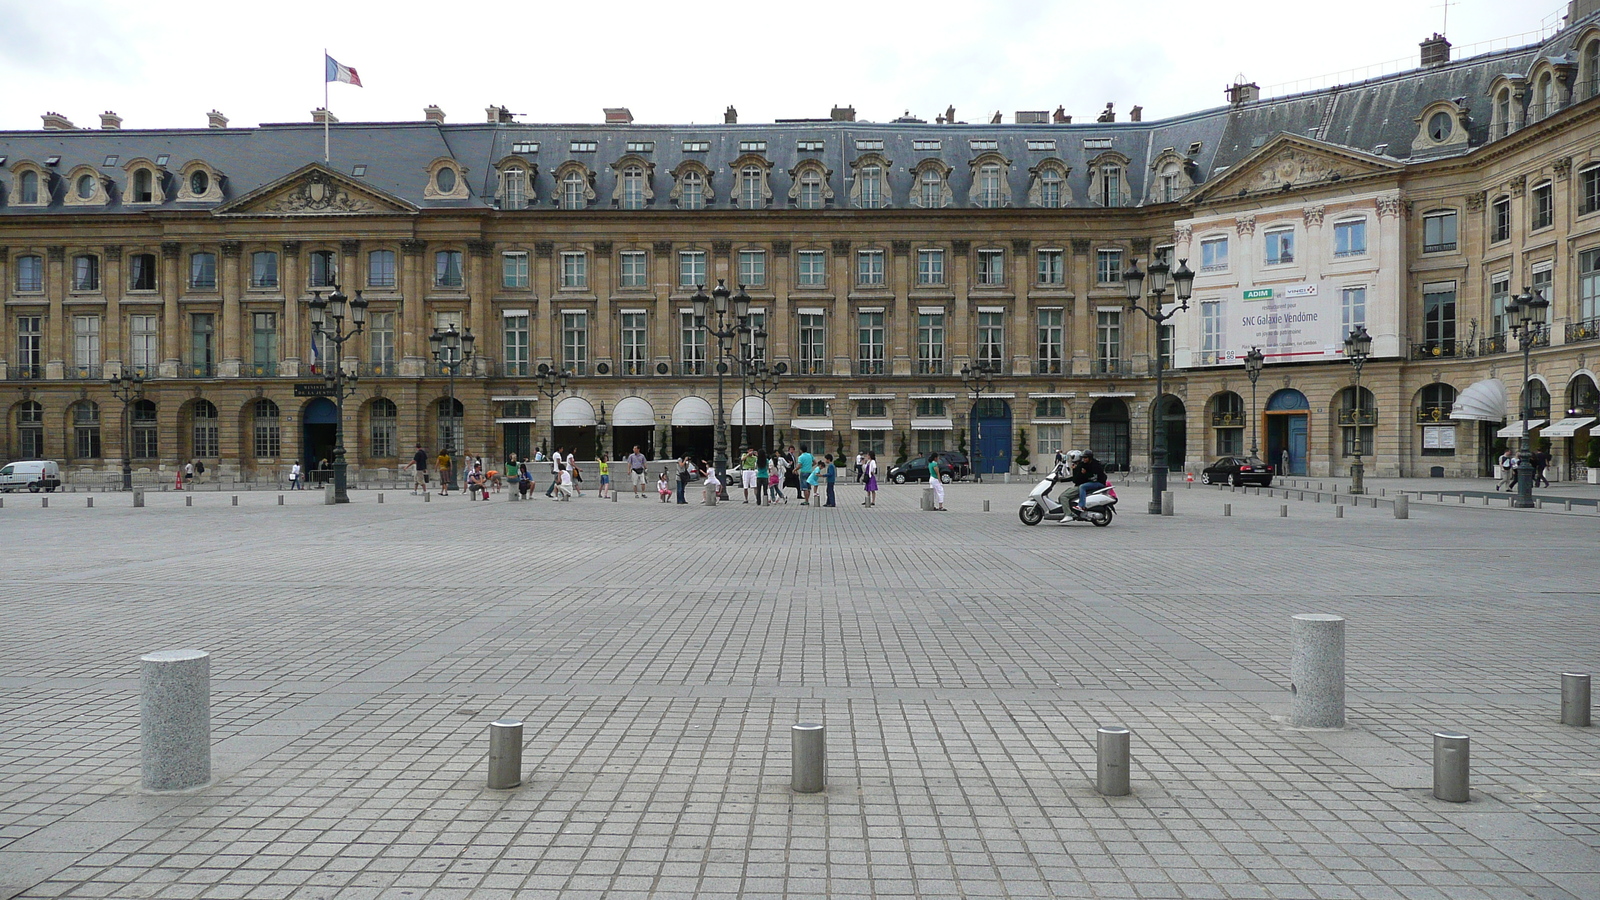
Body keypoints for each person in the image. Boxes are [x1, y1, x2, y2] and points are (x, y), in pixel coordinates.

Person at [1071, 450, 1109, 514]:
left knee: (1082, 487)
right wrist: (1075, 469)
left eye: (1086, 458)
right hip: (1093, 482)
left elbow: (1094, 476)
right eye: (1083, 458)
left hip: (1099, 483)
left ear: (1090, 458)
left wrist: (1086, 473)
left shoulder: (1095, 465)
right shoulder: (1086, 464)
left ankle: (1081, 506)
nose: (1084, 459)